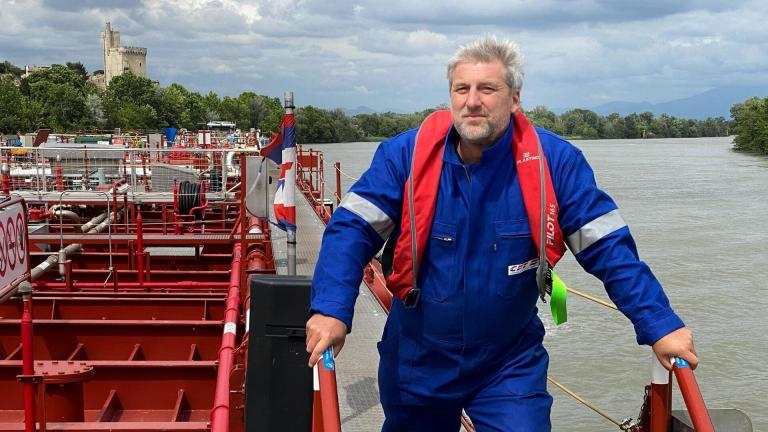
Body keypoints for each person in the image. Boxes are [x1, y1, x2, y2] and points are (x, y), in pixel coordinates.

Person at [305, 36, 697, 431]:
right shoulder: (404, 156)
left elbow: (608, 248)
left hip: (508, 364)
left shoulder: (555, 163)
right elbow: (351, 231)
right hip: (418, 357)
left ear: (515, 99)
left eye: (488, 89)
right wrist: (331, 309)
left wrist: (659, 323)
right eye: (462, 89)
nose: (472, 101)